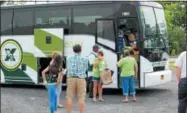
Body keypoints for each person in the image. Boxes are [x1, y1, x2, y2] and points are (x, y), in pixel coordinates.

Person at [66, 44, 88, 113]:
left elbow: (68, 67)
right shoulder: (85, 59)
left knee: (69, 97)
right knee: (81, 97)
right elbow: (86, 68)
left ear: (73, 50)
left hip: (71, 78)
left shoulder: (68, 58)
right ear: (81, 50)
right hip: (81, 79)